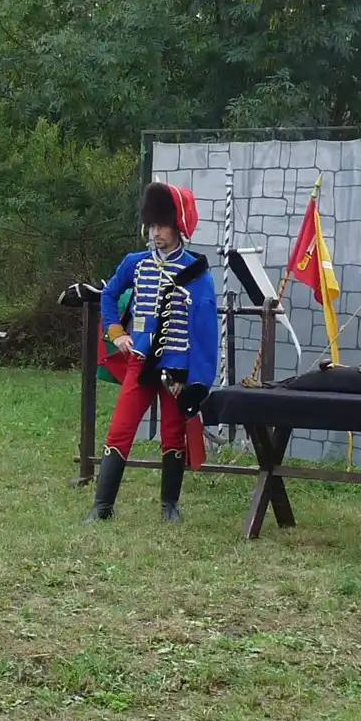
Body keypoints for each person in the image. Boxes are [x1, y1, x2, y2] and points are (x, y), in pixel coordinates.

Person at [84, 181, 219, 523]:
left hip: (176, 369)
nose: (156, 233)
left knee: (173, 434)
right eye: (152, 225)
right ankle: (102, 507)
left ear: (178, 227)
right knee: (120, 427)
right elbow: (109, 295)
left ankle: (169, 506)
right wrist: (116, 333)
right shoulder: (136, 263)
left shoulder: (197, 274)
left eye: (163, 226)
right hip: (141, 362)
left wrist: (197, 381)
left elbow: (205, 334)